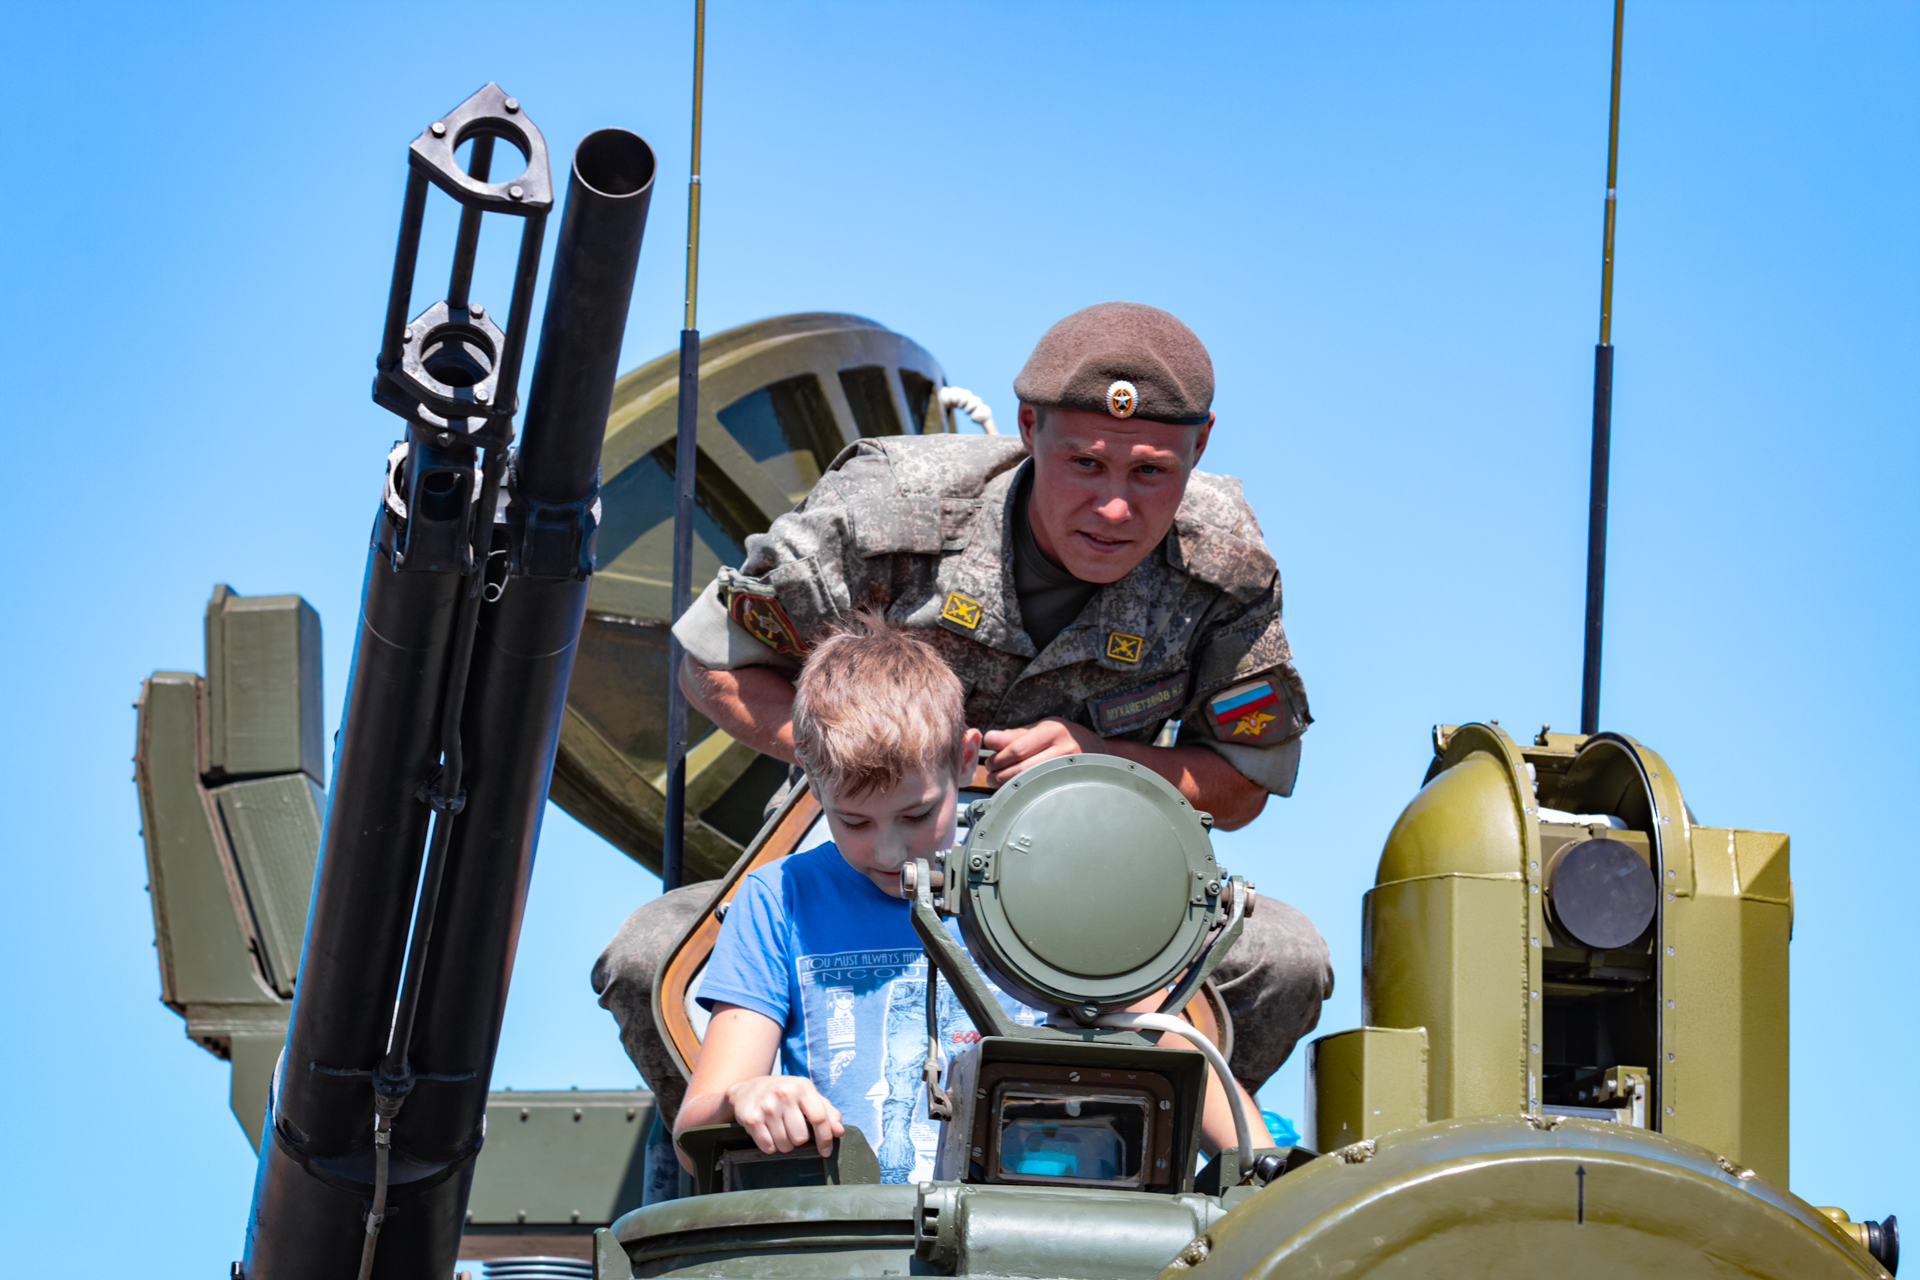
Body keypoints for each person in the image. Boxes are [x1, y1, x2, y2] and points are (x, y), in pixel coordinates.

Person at [595, 301, 1333, 1121]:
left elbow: (1243, 784)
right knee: (649, 957)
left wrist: (1100, 759)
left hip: (1088, 882)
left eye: (1151, 472)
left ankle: (1157, 1170)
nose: (1116, 508)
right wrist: (860, 763)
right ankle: (769, 1165)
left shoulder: (1223, 567)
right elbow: (715, 665)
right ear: (1027, 428)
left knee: (1283, 957)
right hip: (855, 848)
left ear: (1198, 446)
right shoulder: (889, 511)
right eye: (1085, 465)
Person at [674, 615, 1270, 1181]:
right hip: (854, 1235)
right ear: (807, 773)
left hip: (1024, 1222)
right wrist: (744, 1096)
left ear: (963, 760)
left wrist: (1266, 1164)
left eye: (916, 814)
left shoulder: (1043, 883)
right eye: (852, 821)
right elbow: (694, 1127)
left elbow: (1164, 1033)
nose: (888, 852)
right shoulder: (779, 899)